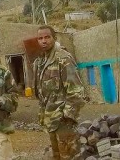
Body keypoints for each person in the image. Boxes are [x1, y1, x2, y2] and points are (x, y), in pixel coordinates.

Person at [33, 25, 85, 160]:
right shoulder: (40, 62)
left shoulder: (63, 58)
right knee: (56, 156)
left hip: (63, 122)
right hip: (50, 120)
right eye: (40, 38)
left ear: (54, 38)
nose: (43, 41)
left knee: (69, 157)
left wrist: (67, 116)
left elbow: (76, 91)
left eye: (47, 37)